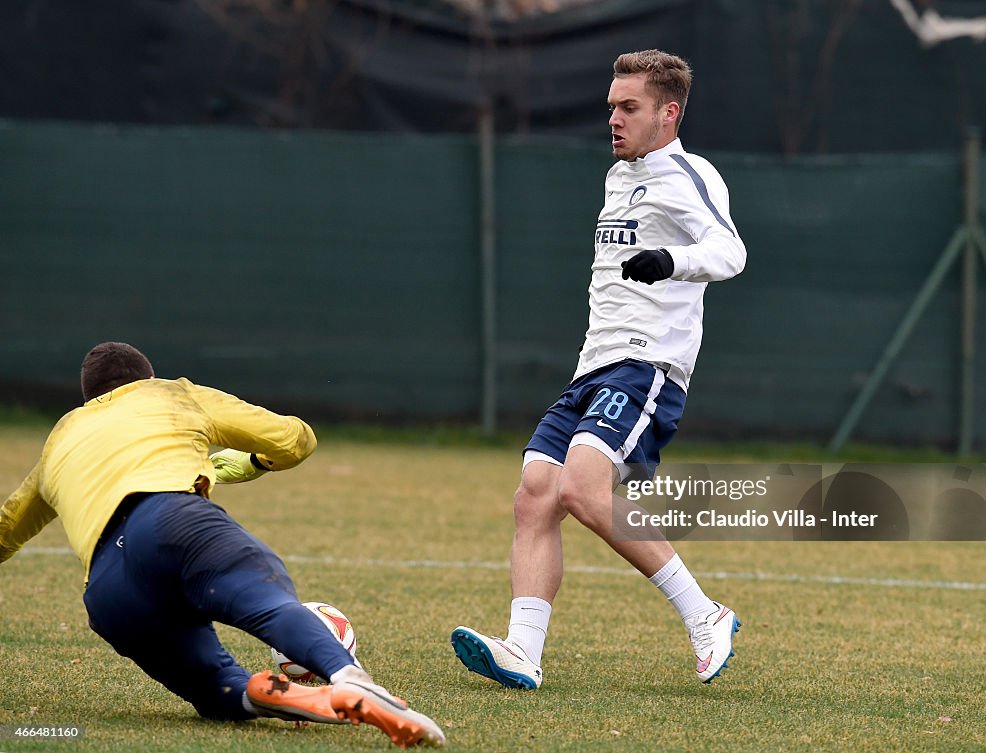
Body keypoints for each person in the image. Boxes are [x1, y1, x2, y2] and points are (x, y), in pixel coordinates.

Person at [450, 50, 746, 689]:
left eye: (629, 107)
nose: (613, 118)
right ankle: (523, 652)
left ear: (668, 114)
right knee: (534, 495)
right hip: (594, 365)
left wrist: (670, 261)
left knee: (583, 488)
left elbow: (730, 251)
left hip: (647, 365)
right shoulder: (619, 176)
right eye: (611, 106)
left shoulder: (687, 174)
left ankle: (707, 616)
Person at [0, 342, 444, 748]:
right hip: (172, 521)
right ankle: (350, 678)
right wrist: (252, 461)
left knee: (219, 690)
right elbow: (294, 439)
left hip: (110, 593)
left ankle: (308, 702)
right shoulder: (172, 394)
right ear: (148, 379)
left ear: (88, 400)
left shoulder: (59, 439)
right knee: (269, 604)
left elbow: (7, 529)